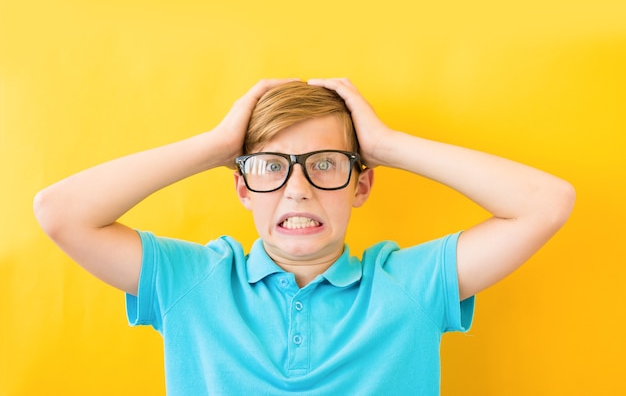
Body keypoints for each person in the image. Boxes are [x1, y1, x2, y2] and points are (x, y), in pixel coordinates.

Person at [33, 78, 575, 395]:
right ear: (241, 187)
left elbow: (546, 203)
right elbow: (60, 212)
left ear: (360, 185)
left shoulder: (409, 285)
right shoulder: (192, 282)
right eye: (272, 167)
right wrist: (218, 145)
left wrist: (385, 144)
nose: (298, 189)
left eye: (325, 165)